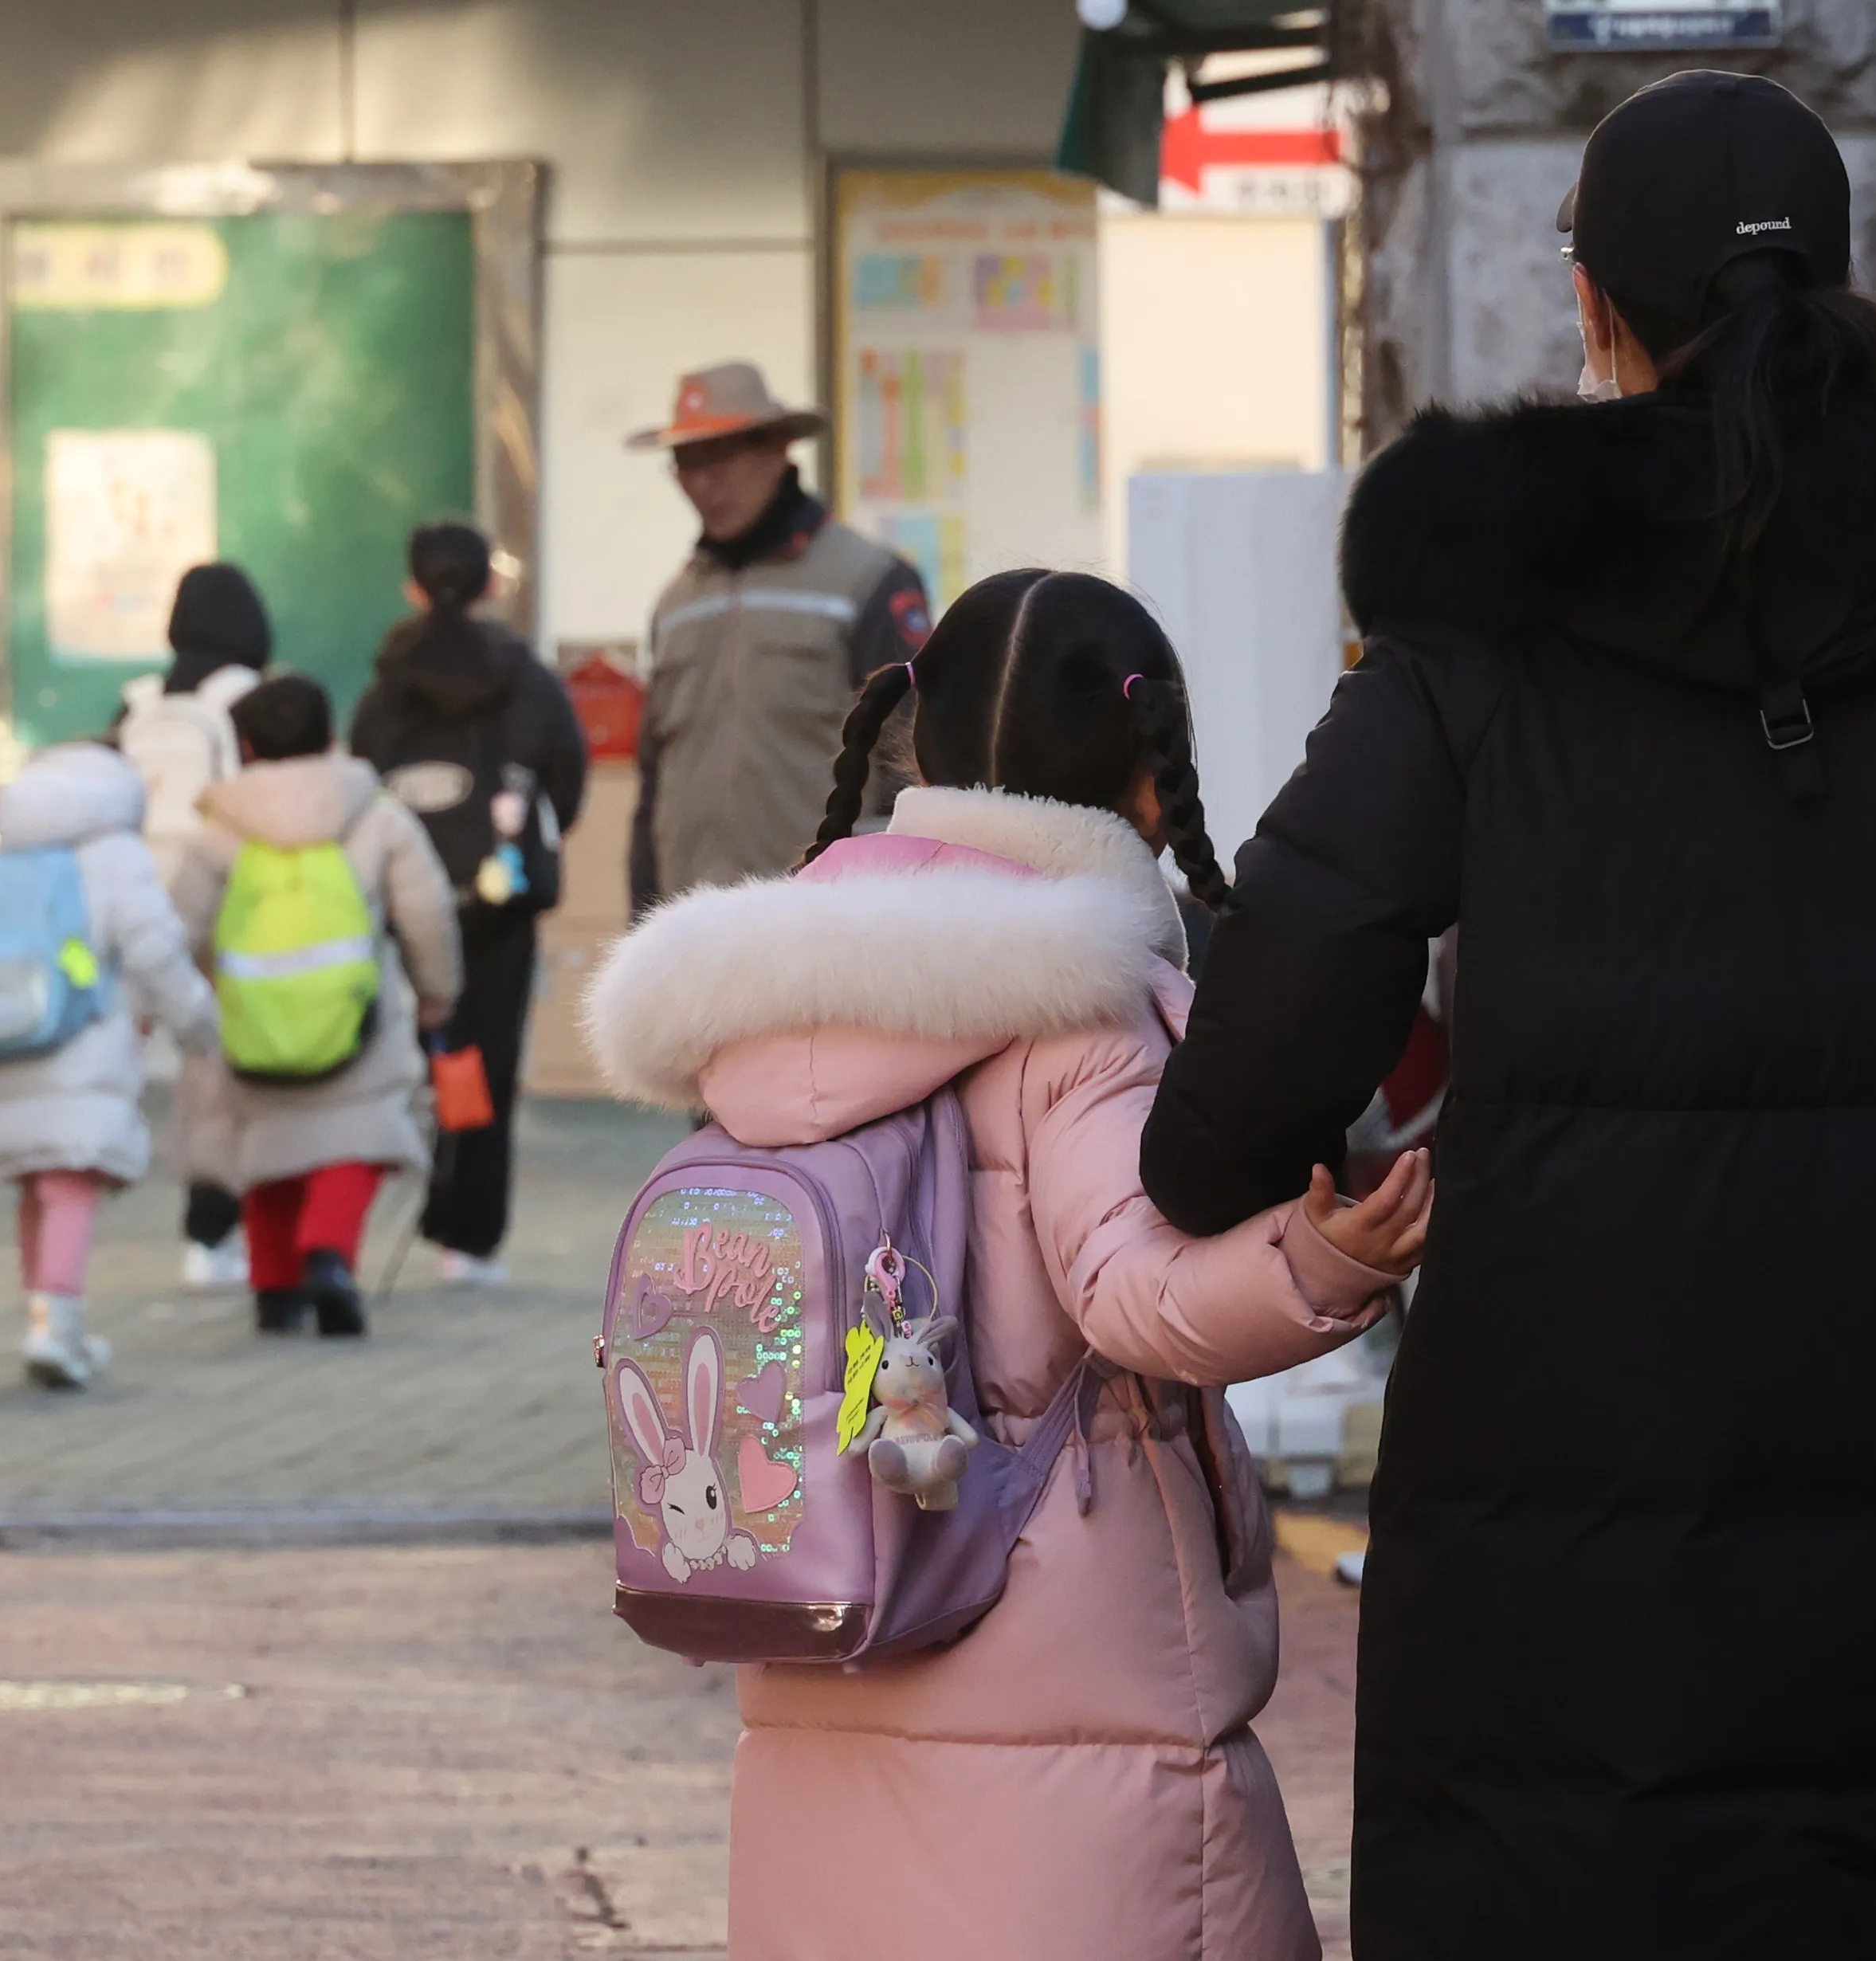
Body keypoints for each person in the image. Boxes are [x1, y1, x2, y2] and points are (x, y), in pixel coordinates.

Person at [1139, 73, 1876, 1959]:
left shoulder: (1479, 623)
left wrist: (1221, 1167)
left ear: (1590, 305)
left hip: (1566, 1469)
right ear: (1845, 285)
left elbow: (1297, 962)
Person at [583, 567, 1431, 1961]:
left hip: (827, 1604)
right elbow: (1135, 1295)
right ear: (1152, 782)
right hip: (1073, 1644)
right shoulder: (1072, 1001)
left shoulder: (780, 1000)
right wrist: (1321, 1261)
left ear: (914, 746)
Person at [0, 741, 222, 1390]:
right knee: (71, 1181)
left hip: (4, 1045)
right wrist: (199, 1024)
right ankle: (57, 1325)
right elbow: (157, 950)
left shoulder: (4, 862)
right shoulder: (116, 858)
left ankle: (48, 1316)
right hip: (83, 1046)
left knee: (37, 1183)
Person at [172, 673, 461, 1335]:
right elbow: (427, 911)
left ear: (244, 747)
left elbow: (180, 925)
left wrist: (180, 1002)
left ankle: (274, 1288)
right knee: (355, 1136)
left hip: (249, 1019)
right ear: (331, 738)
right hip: (355, 1015)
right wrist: (437, 992)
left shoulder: (220, 829)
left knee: (268, 1145)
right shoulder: (376, 813)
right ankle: (329, 1254)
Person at [348, 522, 589, 1286]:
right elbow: (568, 779)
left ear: (412, 588)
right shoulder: (528, 679)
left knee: (413, 1054)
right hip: (500, 898)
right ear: (493, 585)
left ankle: (344, 1228)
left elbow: (359, 782)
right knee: (489, 1052)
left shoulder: (387, 684)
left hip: (401, 901)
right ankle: (470, 1240)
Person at [625, 360, 931, 912]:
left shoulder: (868, 582)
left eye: (718, 460)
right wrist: (642, 917)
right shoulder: (674, 605)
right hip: (691, 925)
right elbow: (654, 781)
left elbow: (909, 766)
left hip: (819, 923)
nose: (702, 483)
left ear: (777, 450)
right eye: (685, 463)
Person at [116, 562, 273, 1291]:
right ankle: (215, 1223)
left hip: (137, 898)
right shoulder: (248, 698)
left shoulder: (139, 703)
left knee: (162, 1055)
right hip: (226, 895)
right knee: (217, 1067)